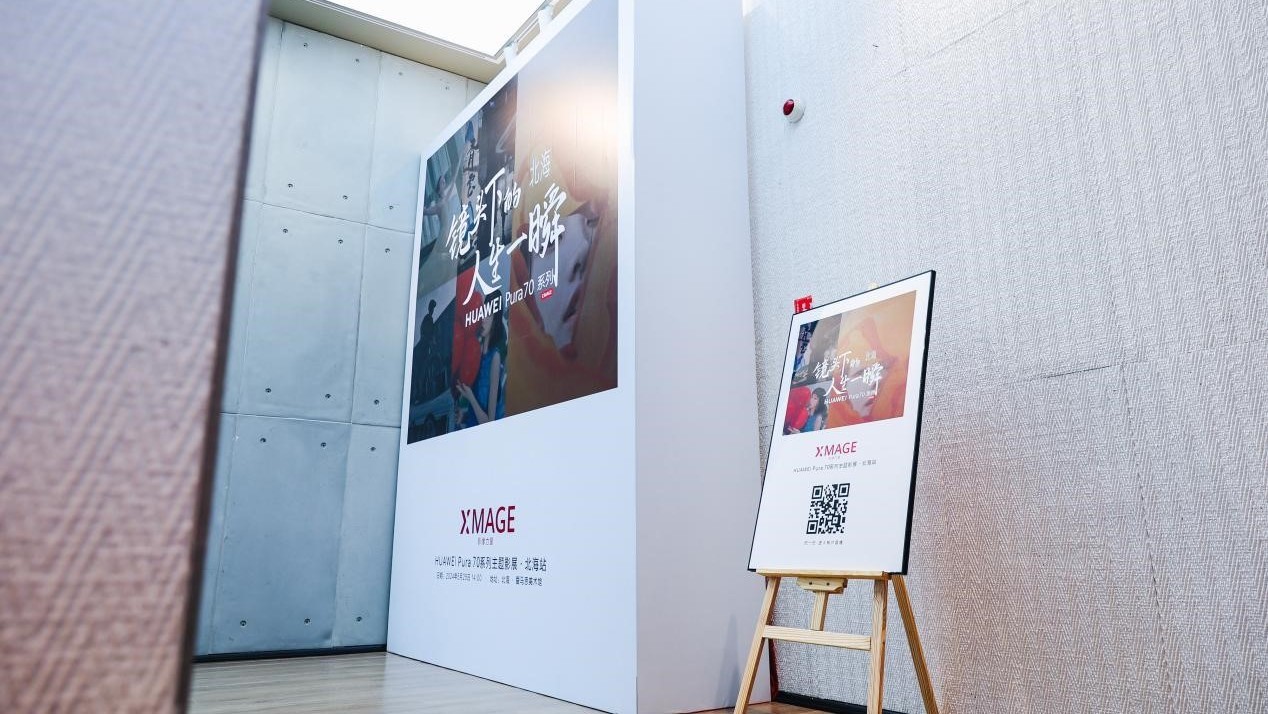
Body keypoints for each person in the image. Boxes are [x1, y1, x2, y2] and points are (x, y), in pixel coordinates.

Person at [455, 306, 507, 428]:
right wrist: (464, 416)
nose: (483, 319)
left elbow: (490, 422)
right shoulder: (476, 356)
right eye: (482, 314)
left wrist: (470, 397)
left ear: (495, 321)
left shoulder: (494, 358)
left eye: (488, 315)